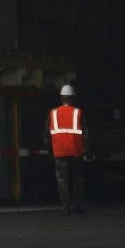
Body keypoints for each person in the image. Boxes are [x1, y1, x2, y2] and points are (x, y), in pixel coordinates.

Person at [45, 84, 88, 215]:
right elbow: (85, 134)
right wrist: (86, 150)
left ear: (61, 98)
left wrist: (50, 150)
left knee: (62, 181)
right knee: (78, 179)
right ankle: (77, 205)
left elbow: (47, 135)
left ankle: (65, 206)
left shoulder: (53, 114)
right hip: (76, 152)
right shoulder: (78, 113)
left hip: (59, 152)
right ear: (73, 97)